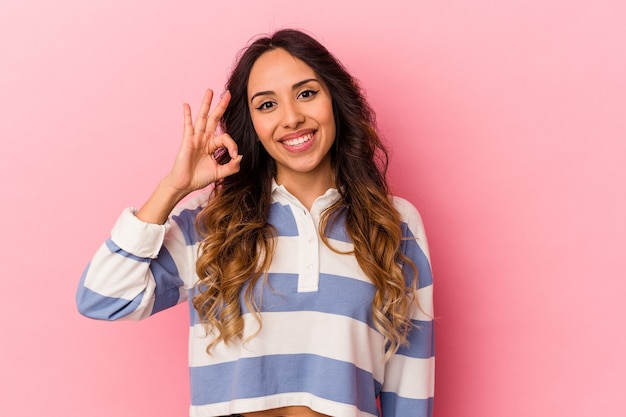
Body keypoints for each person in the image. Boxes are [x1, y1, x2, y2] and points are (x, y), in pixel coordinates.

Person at [77, 29, 434, 417]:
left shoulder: (393, 222)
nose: (292, 117)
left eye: (307, 93)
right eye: (267, 105)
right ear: (250, 122)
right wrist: (172, 188)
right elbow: (103, 298)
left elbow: (410, 381)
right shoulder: (210, 221)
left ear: (335, 100)